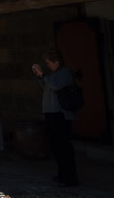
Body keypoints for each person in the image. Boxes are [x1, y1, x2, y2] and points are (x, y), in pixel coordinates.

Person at [32, 49, 78, 187]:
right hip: (51, 113)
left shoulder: (64, 72)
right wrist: (39, 77)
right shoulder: (53, 74)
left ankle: (70, 176)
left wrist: (44, 75)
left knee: (63, 145)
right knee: (56, 146)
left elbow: (56, 86)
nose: (47, 65)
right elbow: (46, 87)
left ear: (56, 62)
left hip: (61, 114)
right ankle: (62, 174)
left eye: (48, 63)